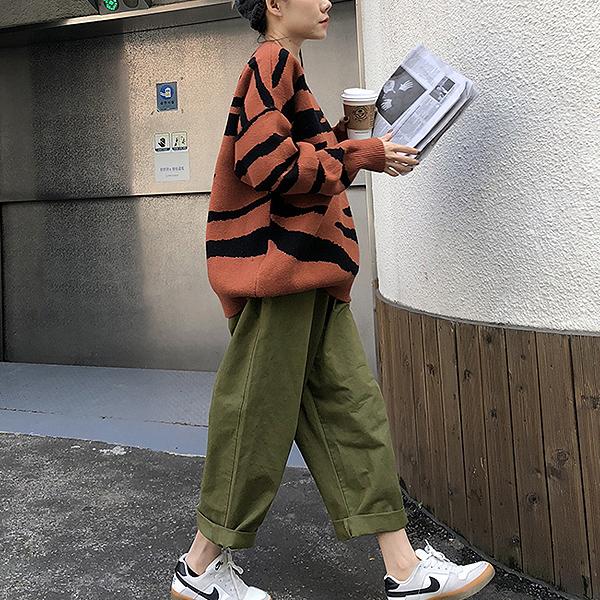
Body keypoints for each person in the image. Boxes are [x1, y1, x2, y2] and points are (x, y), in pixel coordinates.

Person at [171, 0, 496, 598]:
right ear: (274, 4)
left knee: (353, 410)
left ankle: (404, 569)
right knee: (256, 416)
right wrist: (357, 154)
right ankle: (199, 568)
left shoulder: (288, 70)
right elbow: (265, 164)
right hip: (281, 275)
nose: (326, 3)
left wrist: (351, 141)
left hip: (311, 273)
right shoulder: (270, 62)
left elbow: (303, 167)